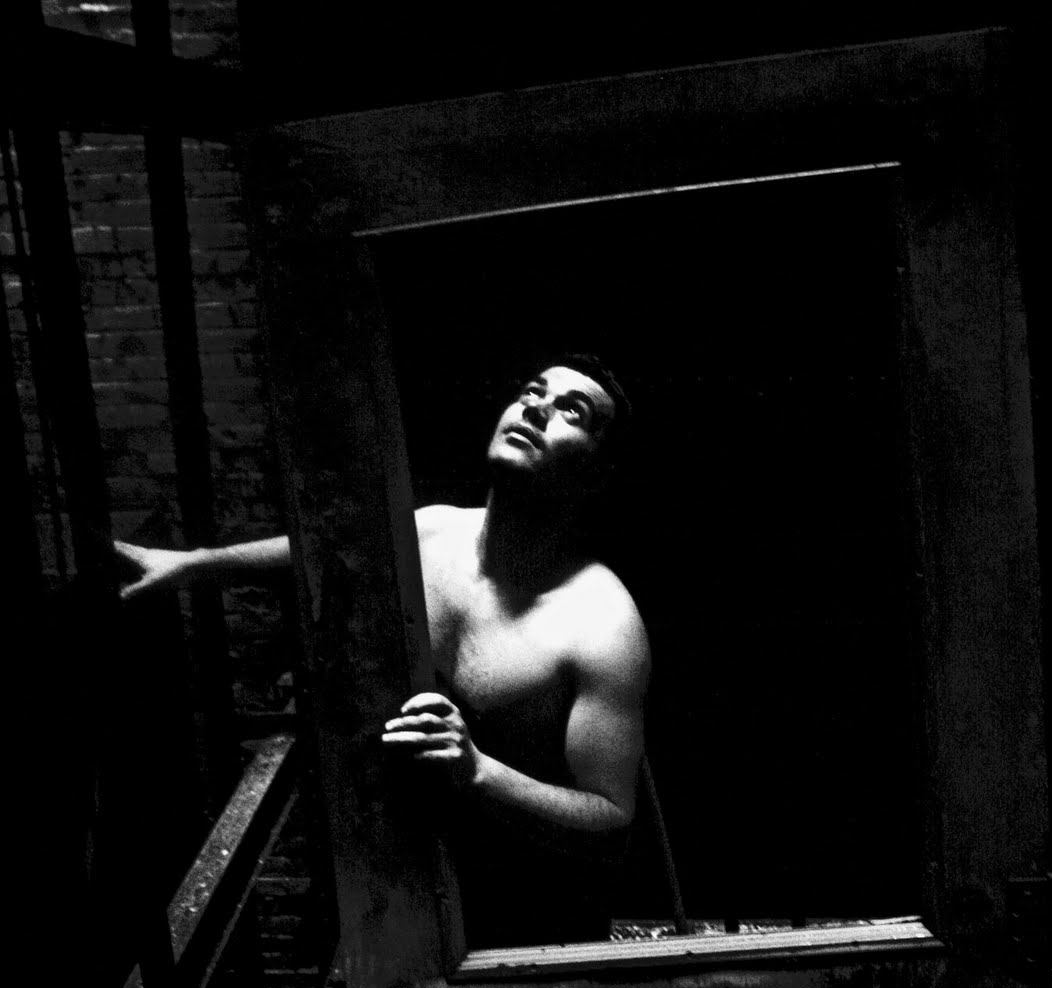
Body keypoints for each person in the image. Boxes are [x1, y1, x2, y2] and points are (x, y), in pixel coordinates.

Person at [116, 355, 651, 946]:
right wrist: (191, 565)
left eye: (572, 410)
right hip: (403, 899)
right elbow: (314, 552)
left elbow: (611, 824)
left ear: (598, 472)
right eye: (532, 390)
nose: (536, 408)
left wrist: (479, 772)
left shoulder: (601, 624)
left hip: (530, 926)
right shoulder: (430, 533)